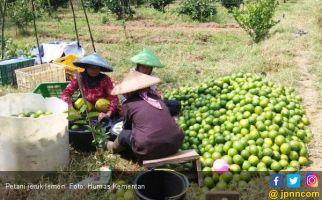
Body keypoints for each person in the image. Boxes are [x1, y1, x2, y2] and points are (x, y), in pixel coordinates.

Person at [107, 70, 184, 161]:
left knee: (124, 134)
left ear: (129, 92)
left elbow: (127, 127)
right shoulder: (155, 98)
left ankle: (112, 148)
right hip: (176, 144)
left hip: (148, 150)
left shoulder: (128, 104)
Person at [61, 52, 118, 121]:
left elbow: (113, 98)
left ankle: (102, 116)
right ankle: (89, 116)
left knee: (100, 103)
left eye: (97, 68)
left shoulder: (105, 79)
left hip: (103, 106)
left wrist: (108, 114)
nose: (94, 71)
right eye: (91, 68)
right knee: (79, 102)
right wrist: (71, 109)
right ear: (86, 67)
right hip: (89, 105)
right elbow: (66, 94)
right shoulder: (79, 77)